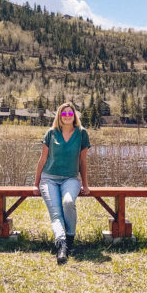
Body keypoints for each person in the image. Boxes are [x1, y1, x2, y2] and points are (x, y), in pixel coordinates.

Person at [34, 102, 91, 264]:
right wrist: (35, 183)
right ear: (59, 116)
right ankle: (62, 246)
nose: (67, 116)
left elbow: (83, 161)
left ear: (74, 116)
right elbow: (42, 160)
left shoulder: (81, 134)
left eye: (70, 114)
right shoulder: (51, 133)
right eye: (64, 114)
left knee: (68, 202)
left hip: (71, 178)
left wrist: (85, 184)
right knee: (56, 214)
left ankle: (70, 237)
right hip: (49, 179)